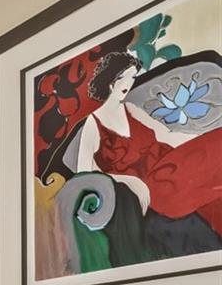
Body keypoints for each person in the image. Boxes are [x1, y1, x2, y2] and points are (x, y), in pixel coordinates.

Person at [72, 49, 222, 236]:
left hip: (173, 164)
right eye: (124, 78)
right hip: (158, 190)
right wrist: (130, 181)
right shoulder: (93, 123)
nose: (129, 83)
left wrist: (203, 141)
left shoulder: (130, 109)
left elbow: (166, 135)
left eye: (132, 77)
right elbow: (84, 175)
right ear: (111, 81)